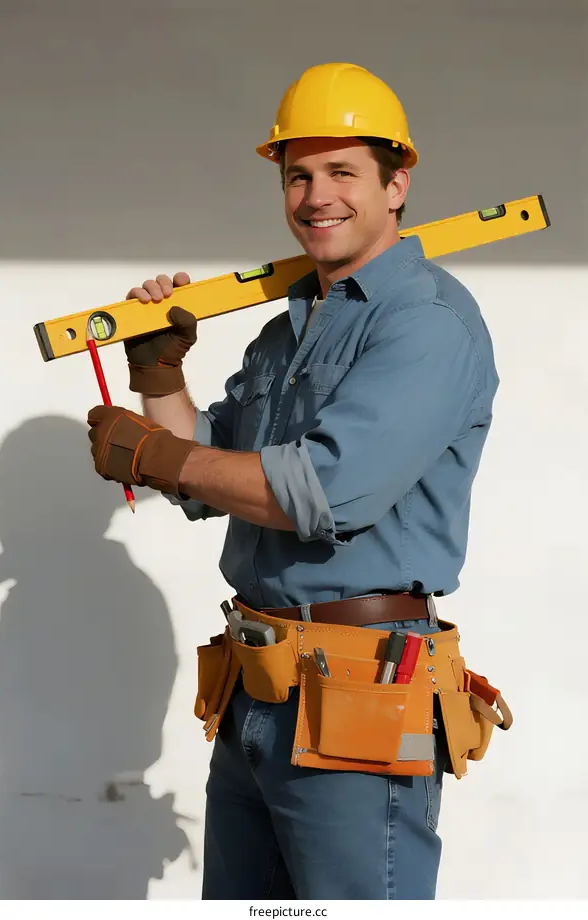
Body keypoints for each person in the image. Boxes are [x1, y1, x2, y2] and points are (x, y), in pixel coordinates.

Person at [86, 62, 500, 899]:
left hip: (357, 699)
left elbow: (323, 493)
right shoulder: (285, 333)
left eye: (342, 171)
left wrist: (154, 455)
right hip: (255, 697)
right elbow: (213, 479)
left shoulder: (425, 324)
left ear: (397, 184)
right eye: (297, 175)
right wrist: (160, 379)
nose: (317, 196)